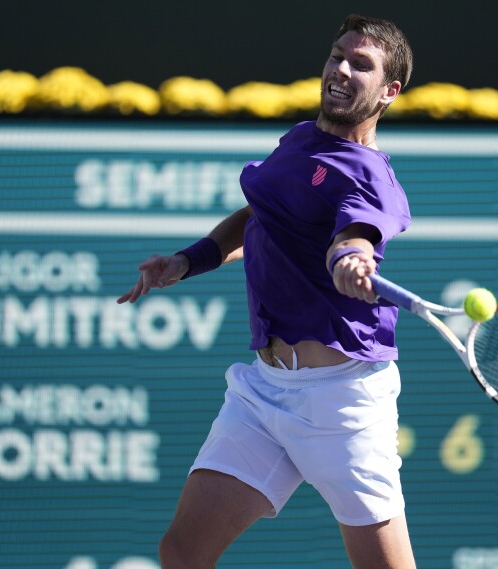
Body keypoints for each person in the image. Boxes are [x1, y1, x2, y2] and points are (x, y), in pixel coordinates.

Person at [118, 14, 416, 569]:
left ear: (389, 92)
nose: (341, 70)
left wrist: (350, 261)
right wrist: (189, 261)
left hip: (343, 403)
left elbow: (353, 239)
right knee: (181, 552)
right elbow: (263, 215)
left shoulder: (371, 179)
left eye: (362, 64)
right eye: (337, 56)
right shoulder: (300, 141)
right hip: (264, 392)